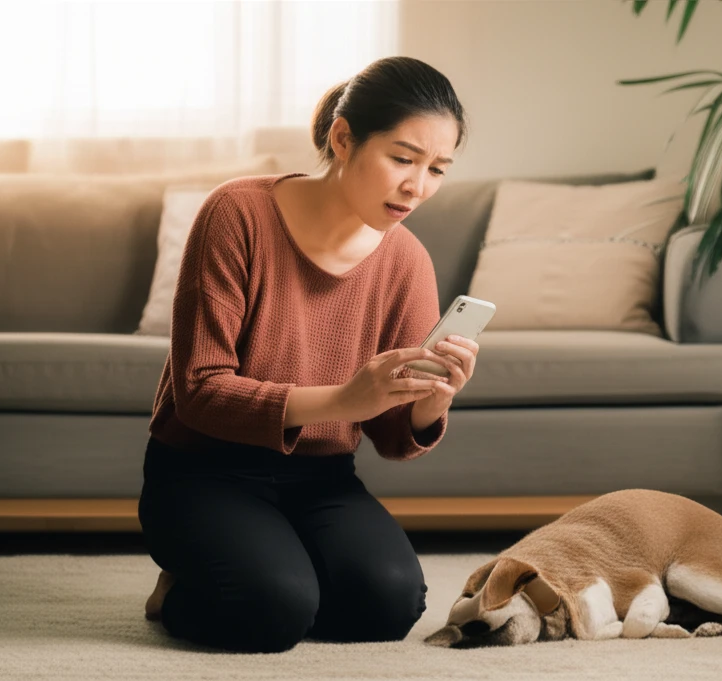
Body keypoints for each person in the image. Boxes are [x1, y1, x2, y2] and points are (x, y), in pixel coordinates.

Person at [137, 56, 473, 653]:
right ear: (343, 139)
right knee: (271, 611)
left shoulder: (407, 262)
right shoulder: (237, 213)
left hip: (321, 478)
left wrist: (428, 403)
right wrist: (346, 398)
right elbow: (199, 391)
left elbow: (392, 437)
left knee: (389, 604)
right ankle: (184, 589)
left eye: (437, 169)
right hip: (204, 469)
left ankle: (280, 569)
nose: (417, 186)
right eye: (402, 158)